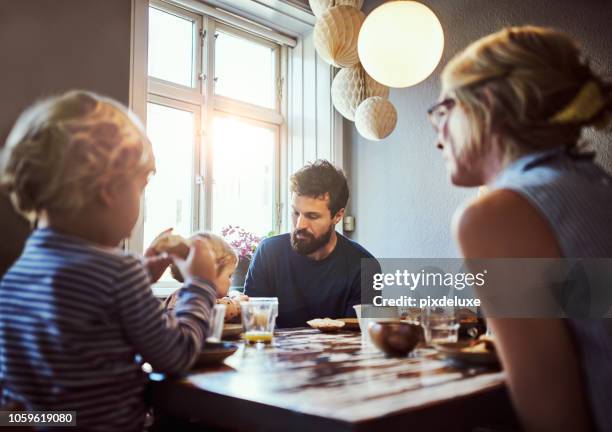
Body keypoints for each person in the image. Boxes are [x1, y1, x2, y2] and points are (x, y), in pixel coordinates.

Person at [0, 90, 227, 432]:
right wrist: (200, 285)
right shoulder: (118, 274)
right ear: (109, 190)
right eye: (141, 187)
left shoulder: (20, 273)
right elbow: (176, 354)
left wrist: (141, 274)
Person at [430, 26, 612, 431]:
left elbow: (555, 421)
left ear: (488, 106)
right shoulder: (595, 187)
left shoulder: (497, 216)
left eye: (445, 110)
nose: (439, 136)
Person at [244, 160, 380, 328]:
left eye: (312, 216)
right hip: (276, 354)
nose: (299, 225)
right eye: (295, 213)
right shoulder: (268, 253)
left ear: (338, 216)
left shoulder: (365, 267)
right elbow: (253, 327)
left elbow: (360, 339)